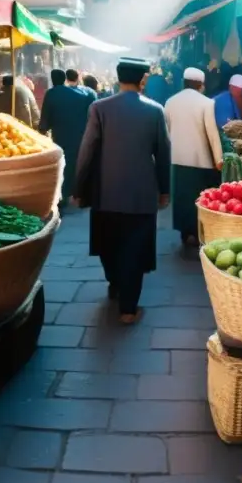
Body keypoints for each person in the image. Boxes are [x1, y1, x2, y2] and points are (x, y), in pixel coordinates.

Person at [73, 57, 171, 324]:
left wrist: (79, 187)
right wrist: (165, 189)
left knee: (108, 243)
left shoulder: (99, 108)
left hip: (105, 192)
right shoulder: (154, 110)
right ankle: (128, 309)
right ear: (143, 80)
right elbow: (163, 153)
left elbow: (87, 150)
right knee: (135, 247)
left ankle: (116, 283)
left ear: (118, 78)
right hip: (141, 194)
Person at [164, 67, 224, 244]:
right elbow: (212, 133)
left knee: (181, 196)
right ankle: (198, 231)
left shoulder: (170, 101)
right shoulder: (206, 102)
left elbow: (166, 131)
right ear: (201, 84)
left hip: (177, 158)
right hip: (201, 158)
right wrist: (218, 158)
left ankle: (184, 232)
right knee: (198, 196)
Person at [39, 69, 95, 203]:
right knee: (82, 161)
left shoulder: (52, 93)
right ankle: (83, 192)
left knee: (66, 164)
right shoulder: (87, 93)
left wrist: (41, 131)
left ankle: (66, 194)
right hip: (84, 134)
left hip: (62, 135)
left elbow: (45, 119)